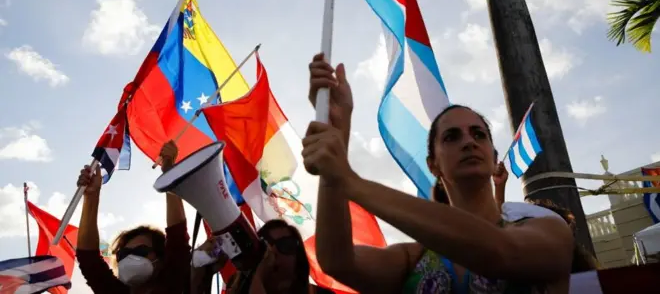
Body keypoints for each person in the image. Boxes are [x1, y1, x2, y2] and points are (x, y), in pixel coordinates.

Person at [305, 53, 574, 293]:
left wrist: (349, 181)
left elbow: (501, 252)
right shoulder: (412, 259)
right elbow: (337, 261)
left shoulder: (549, 230)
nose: (468, 142)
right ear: (433, 165)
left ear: (494, 160)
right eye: (451, 137)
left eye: (479, 134)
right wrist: (337, 137)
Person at [76, 141, 191, 294]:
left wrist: (169, 171)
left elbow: (177, 237)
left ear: (160, 258)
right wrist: (91, 196)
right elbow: (88, 259)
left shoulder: (171, 284)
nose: (129, 258)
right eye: (122, 254)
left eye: (141, 251)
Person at [191, 219, 333, 294]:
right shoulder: (238, 288)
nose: (272, 250)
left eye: (285, 245)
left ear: (299, 257)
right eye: (265, 243)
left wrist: (259, 269)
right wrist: (200, 269)